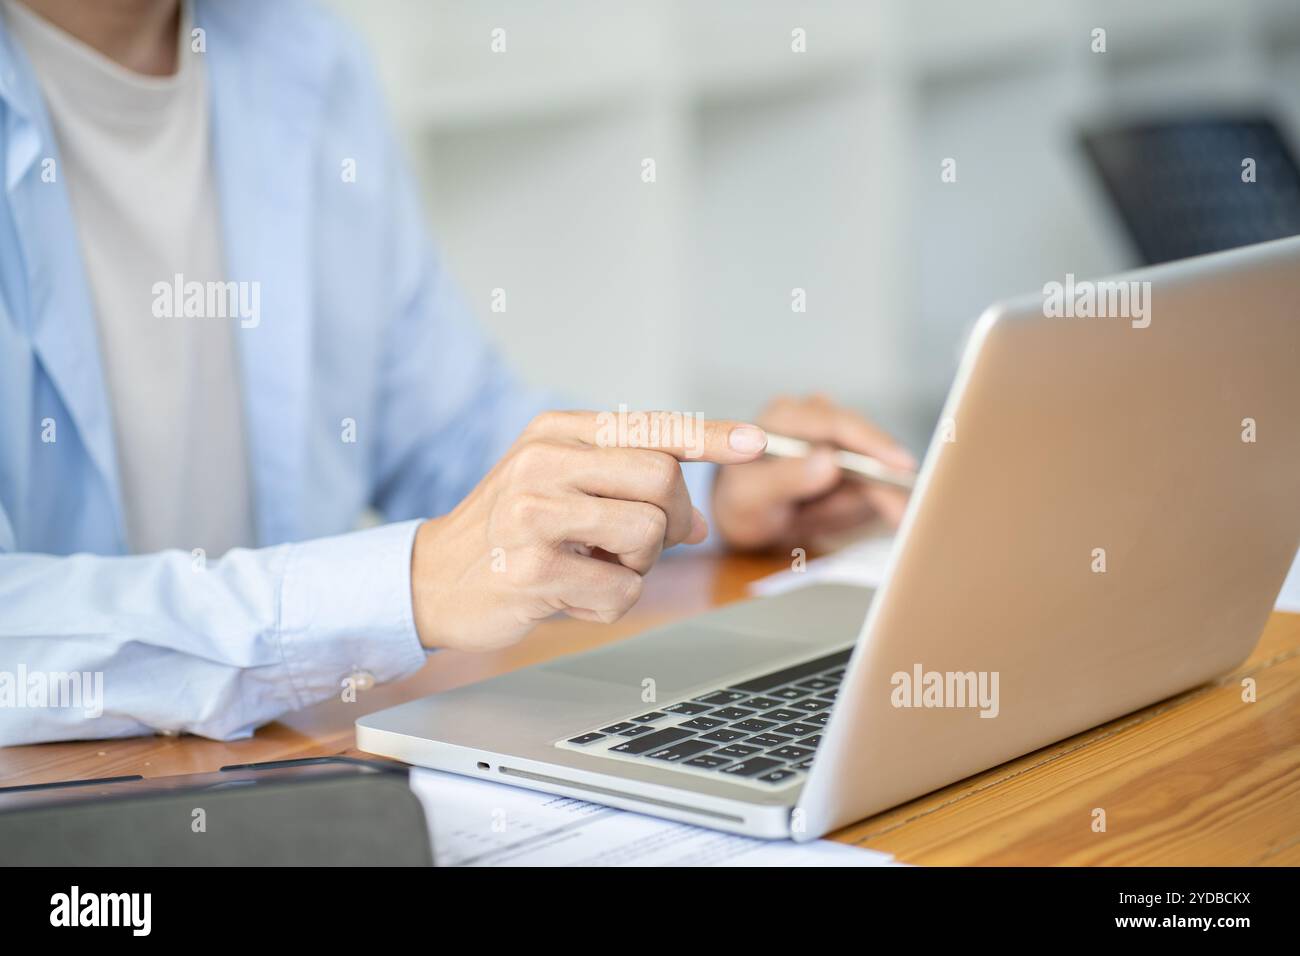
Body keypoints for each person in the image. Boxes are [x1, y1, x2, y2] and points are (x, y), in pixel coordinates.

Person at [0, 0, 915, 746]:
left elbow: (446, 431)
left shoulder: (304, 58)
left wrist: (705, 489)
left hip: (276, 771)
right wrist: (411, 584)